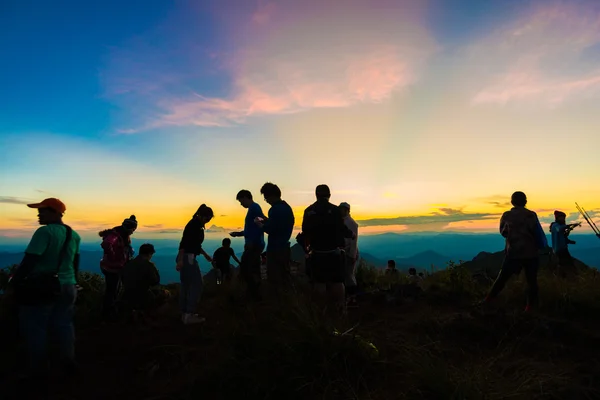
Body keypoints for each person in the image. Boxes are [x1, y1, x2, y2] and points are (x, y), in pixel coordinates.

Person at [10, 198, 81, 379]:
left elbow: (29, 261)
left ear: (56, 213)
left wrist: (14, 283)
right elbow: (75, 262)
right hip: (68, 286)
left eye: (43, 211)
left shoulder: (44, 232)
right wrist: (74, 281)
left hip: (43, 286)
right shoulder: (73, 235)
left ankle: (38, 370)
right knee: (64, 324)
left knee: (35, 326)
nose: (39, 214)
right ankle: (67, 362)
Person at [482, 191, 547, 312]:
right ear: (525, 201)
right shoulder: (531, 215)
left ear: (512, 202)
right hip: (530, 253)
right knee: (531, 281)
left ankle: (488, 300)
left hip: (512, 252)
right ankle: (529, 307)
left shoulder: (506, 215)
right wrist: (543, 246)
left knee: (502, 278)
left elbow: (503, 232)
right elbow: (538, 234)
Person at [301, 184, 354, 313]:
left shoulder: (309, 211)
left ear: (316, 195)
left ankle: (321, 311)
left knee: (319, 283)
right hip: (334, 253)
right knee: (337, 282)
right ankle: (340, 309)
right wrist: (351, 234)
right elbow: (342, 229)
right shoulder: (335, 210)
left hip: (317, 253)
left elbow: (305, 231)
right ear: (329, 196)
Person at [176, 204, 214, 324]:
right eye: (207, 218)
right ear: (202, 216)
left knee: (186, 285)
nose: (208, 221)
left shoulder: (195, 224)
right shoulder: (194, 226)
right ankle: (189, 314)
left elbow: (195, 245)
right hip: (188, 258)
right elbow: (184, 244)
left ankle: (184, 313)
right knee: (197, 284)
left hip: (187, 257)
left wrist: (205, 255)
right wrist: (181, 260)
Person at [255, 182, 295, 293]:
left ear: (271, 196)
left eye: (266, 198)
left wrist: (260, 225)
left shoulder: (274, 209)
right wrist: (267, 221)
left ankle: (276, 304)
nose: (266, 201)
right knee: (285, 276)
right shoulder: (287, 208)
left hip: (275, 249)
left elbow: (270, 229)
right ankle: (290, 301)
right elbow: (279, 225)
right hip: (285, 247)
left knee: (273, 278)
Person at [99, 215, 138, 321]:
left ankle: (111, 312)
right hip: (112, 268)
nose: (133, 232)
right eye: (132, 230)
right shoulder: (115, 235)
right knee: (112, 291)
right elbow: (106, 244)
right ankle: (108, 315)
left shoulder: (121, 235)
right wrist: (113, 257)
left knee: (114, 290)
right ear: (128, 228)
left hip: (116, 267)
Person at [230, 190, 266, 300]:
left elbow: (261, 222)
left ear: (246, 197)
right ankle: (255, 294)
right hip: (254, 244)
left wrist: (252, 242)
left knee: (247, 269)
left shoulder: (254, 208)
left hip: (254, 245)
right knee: (252, 268)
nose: (241, 204)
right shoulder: (253, 209)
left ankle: (253, 294)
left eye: (241, 201)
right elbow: (252, 228)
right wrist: (239, 234)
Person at [122, 243, 165, 320]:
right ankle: (150, 315)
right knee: (165, 294)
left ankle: (135, 312)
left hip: (127, 295)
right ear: (149, 254)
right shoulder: (149, 265)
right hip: (143, 297)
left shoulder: (128, 264)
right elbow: (155, 281)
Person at [339, 202, 359, 307]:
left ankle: (353, 298)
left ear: (347, 210)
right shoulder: (344, 221)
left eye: (342, 209)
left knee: (349, 275)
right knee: (347, 275)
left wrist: (352, 254)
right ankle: (350, 298)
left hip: (349, 253)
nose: (340, 211)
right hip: (344, 252)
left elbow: (354, 241)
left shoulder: (351, 223)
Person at [550, 210, 580, 277]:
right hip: (560, 249)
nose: (563, 219)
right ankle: (568, 277)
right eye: (562, 217)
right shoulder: (555, 226)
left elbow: (562, 237)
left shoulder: (558, 226)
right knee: (567, 264)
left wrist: (569, 241)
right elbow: (559, 229)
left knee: (564, 263)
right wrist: (569, 226)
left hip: (562, 249)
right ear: (557, 218)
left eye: (564, 217)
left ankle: (563, 277)